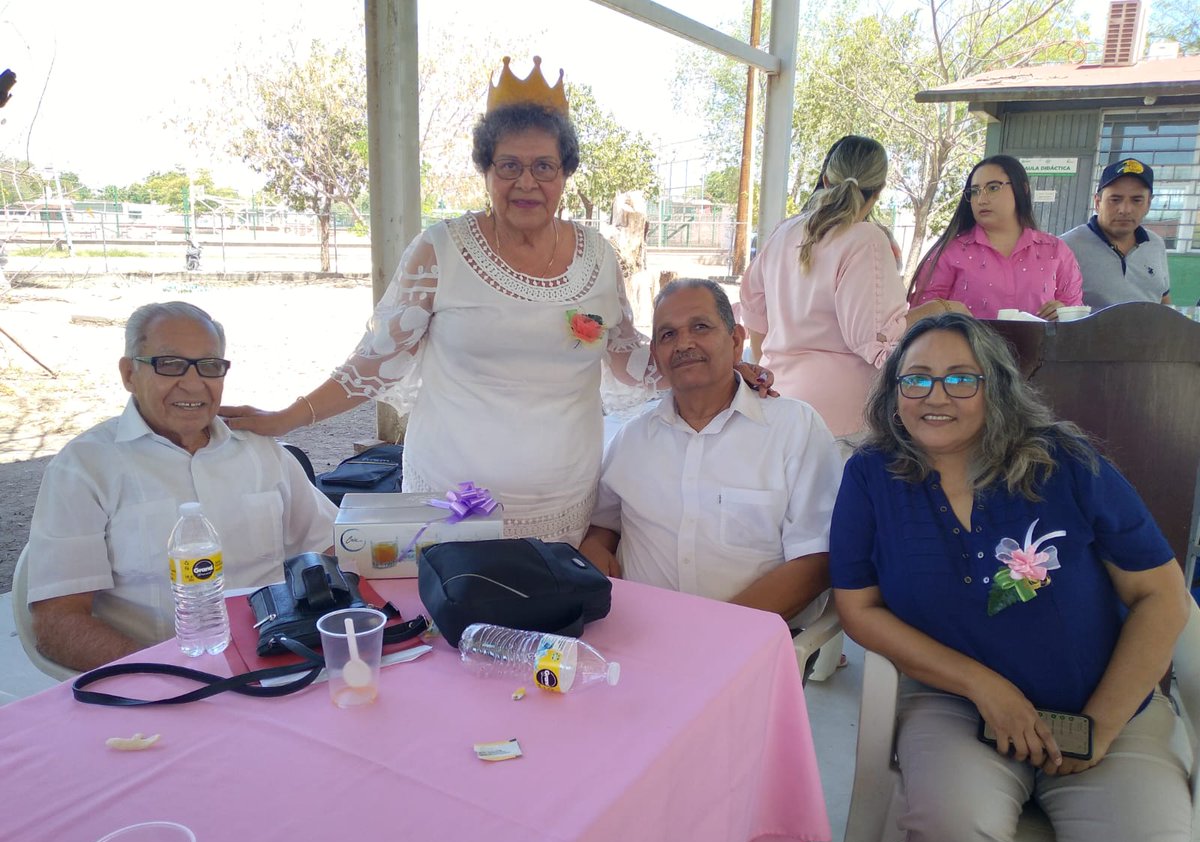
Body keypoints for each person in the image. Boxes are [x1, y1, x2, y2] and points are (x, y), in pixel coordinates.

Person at [221, 57, 770, 546]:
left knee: (546, 643)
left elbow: (630, 357)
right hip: (451, 505)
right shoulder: (440, 251)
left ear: (565, 174)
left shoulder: (598, 258)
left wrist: (725, 369)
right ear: (486, 170)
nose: (526, 182)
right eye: (508, 165)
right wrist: (288, 417)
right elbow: (372, 363)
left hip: (563, 504)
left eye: (543, 166)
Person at [831, 312, 1192, 842]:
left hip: (1109, 711)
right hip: (957, 711)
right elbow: (858, 606)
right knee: (949, 838)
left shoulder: (1065, 463)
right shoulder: (872, 476)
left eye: (960, 379)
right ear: (894, 393)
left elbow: (1161, 595)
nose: (935, 396)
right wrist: (982, 686)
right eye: (915, 379)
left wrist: (1100, 724)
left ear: (995, 388)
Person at [26, 302, 338, 671]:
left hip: (280, 667)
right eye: (169, 364)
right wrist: (170, 676)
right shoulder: (84, 467)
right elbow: (57, 623)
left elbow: (333, 550)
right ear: (129, 373)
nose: (193, 384)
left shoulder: (261, 452)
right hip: (157, 682)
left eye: (209, 367)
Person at [581, 279, 842, 627]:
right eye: (667, 335)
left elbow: (816, 559)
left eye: (700, 327)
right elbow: (605, 523)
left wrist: (713, 631)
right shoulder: (634, 438)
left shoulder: (794, 428)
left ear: (736, 340)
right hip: (636, 638)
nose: (684, 343)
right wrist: (596, 549)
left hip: (750, 645)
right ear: (656, 356)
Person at [741, 135, 951, 439]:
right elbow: (876, 339)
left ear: (826, 179)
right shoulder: (866, 240)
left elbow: (754, 313)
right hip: (842, 419)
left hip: (778, 402)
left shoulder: (784, 232)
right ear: (879, 190)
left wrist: (769, 367)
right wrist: (940, 309)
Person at [909, 155, 1084, 320]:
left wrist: (1064, 313)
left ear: (1022, 189)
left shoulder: (1056, 251)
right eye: (975, 191)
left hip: (1040, 351)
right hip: (964, 352)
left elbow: (1075, 318)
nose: (981, 200)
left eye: (993, 188)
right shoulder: (948, 253)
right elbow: (921, 319)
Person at [1061, 157, 1171, 308]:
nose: (1125, 210)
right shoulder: (1065, 247)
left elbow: (1163, 298)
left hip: (1149, 332)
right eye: (1115, 199)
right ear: (1098, 203)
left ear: (1148, 204)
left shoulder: (1156, 244)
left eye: (1136, 200)